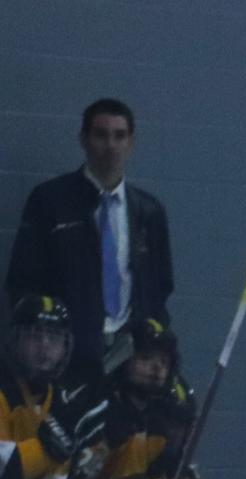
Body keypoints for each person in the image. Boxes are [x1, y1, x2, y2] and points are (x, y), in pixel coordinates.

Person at [5, 99, 173, 374]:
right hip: (66, 350)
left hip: (129, 351)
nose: (111, 145)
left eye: (120, 136)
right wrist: (45, 343)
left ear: (131, 142)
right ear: (83, 139)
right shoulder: (50, 200)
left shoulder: (148, 211)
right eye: (101, 135)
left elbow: (161, 285)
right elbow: (23, 280)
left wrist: (150, 334)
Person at [41, 316, 202, 479]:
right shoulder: (97, 412)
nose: (157, 369)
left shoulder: (153, 425)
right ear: (123, 358)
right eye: (146, 358)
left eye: (164, 362)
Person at [0, 296, 108, 479]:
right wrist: (48, 447)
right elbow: (6, 474)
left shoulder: (63, 404)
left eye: (54, 337)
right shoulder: (3, 393)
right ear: (15, 341)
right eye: (35, 336)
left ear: (65, 347)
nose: (45, 346)